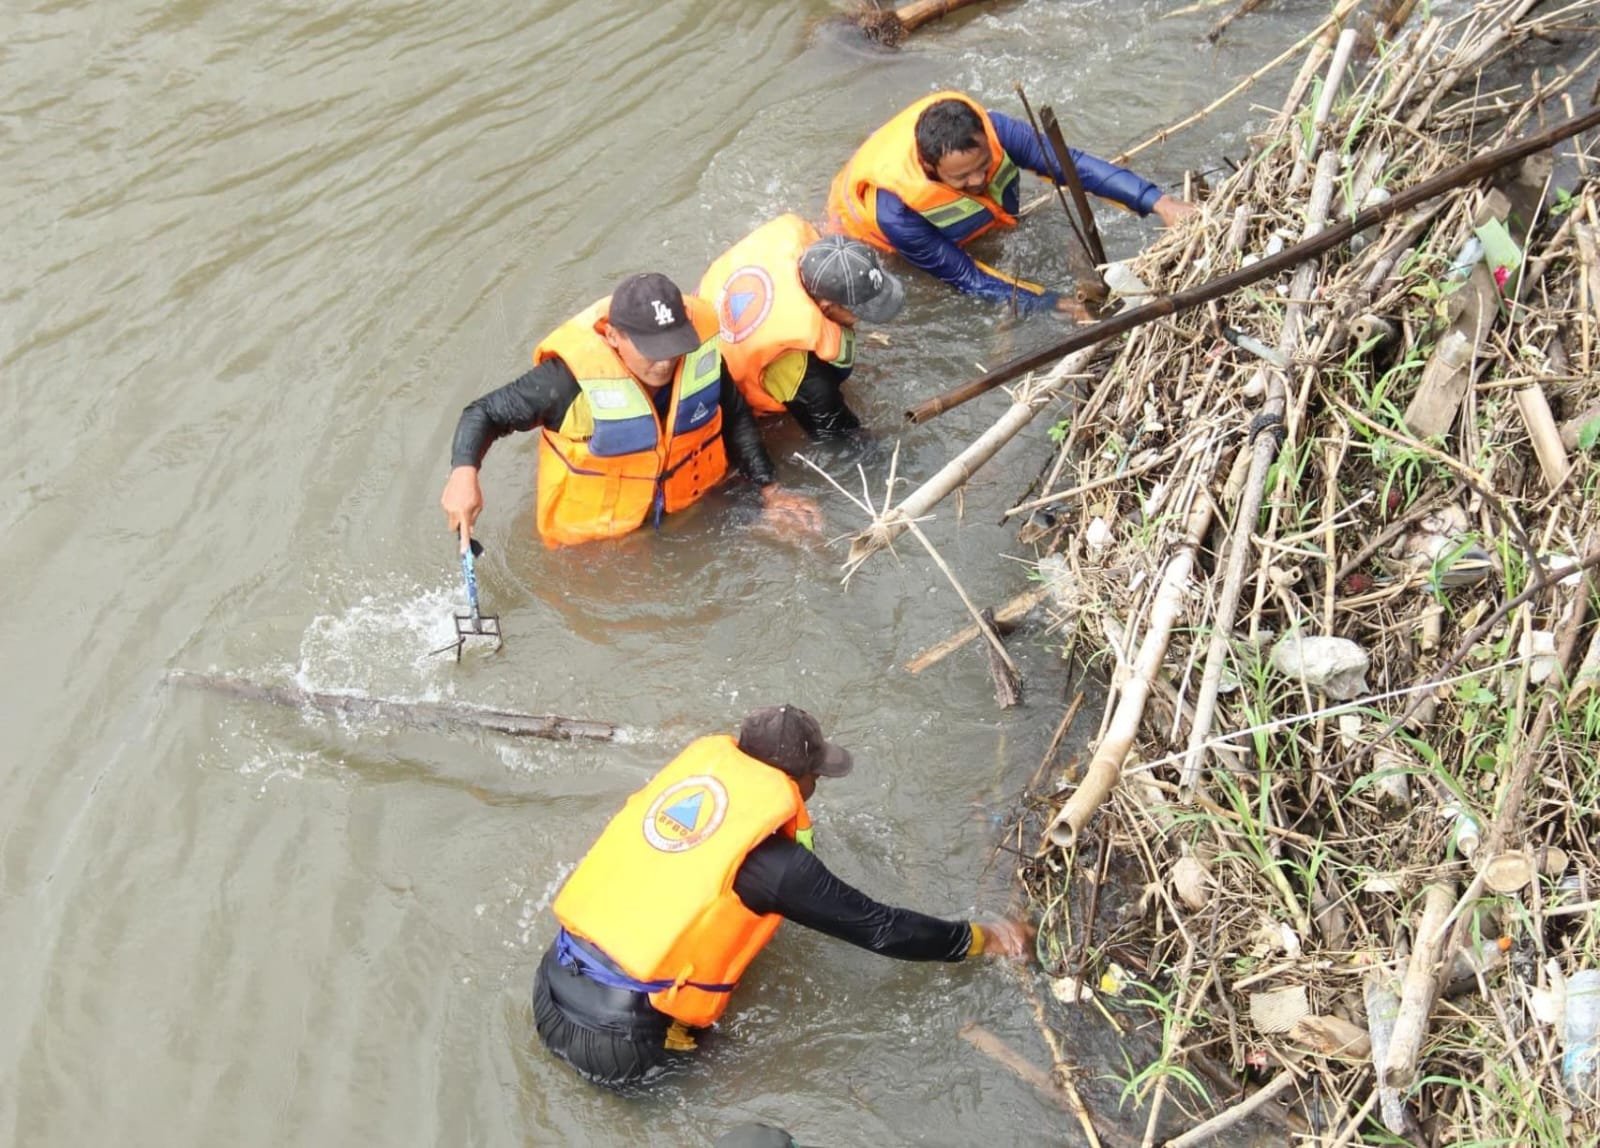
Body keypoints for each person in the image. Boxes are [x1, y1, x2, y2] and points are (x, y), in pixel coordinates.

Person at [533, 704, 1033, 1087]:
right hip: (615, 1045)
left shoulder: (693, 789)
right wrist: (988, 938)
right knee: (743, 1072)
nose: (819, 782)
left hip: (550, 984)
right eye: (817, 773)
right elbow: (883, 929)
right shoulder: (778, 869)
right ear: (795, 779)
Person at [440, 271, 820, 547]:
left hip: (691, 504)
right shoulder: (564, 382)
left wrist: (771, 491)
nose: (666, 361)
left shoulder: (699, 358)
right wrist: (463, 474)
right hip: (599, 540)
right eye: (652, 349)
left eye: (675, 344)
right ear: (612, 336)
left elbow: (735, 416)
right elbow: (484, 413)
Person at [827, 91, 1198, 315]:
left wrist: (1159, 202)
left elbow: (1074, 165)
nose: (978, 181)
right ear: (929, 166)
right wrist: (1053, 303)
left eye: (983, 166)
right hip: (875, 235)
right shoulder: (895, 212)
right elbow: (967, 277)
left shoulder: (996, 131)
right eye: (963, 178)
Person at [698, 215, 906, 439]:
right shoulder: (793, 363)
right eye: (856, 312)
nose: (858, 320)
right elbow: (837, 436)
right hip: (725, 395)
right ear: (826, 307)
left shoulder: (800, 247)